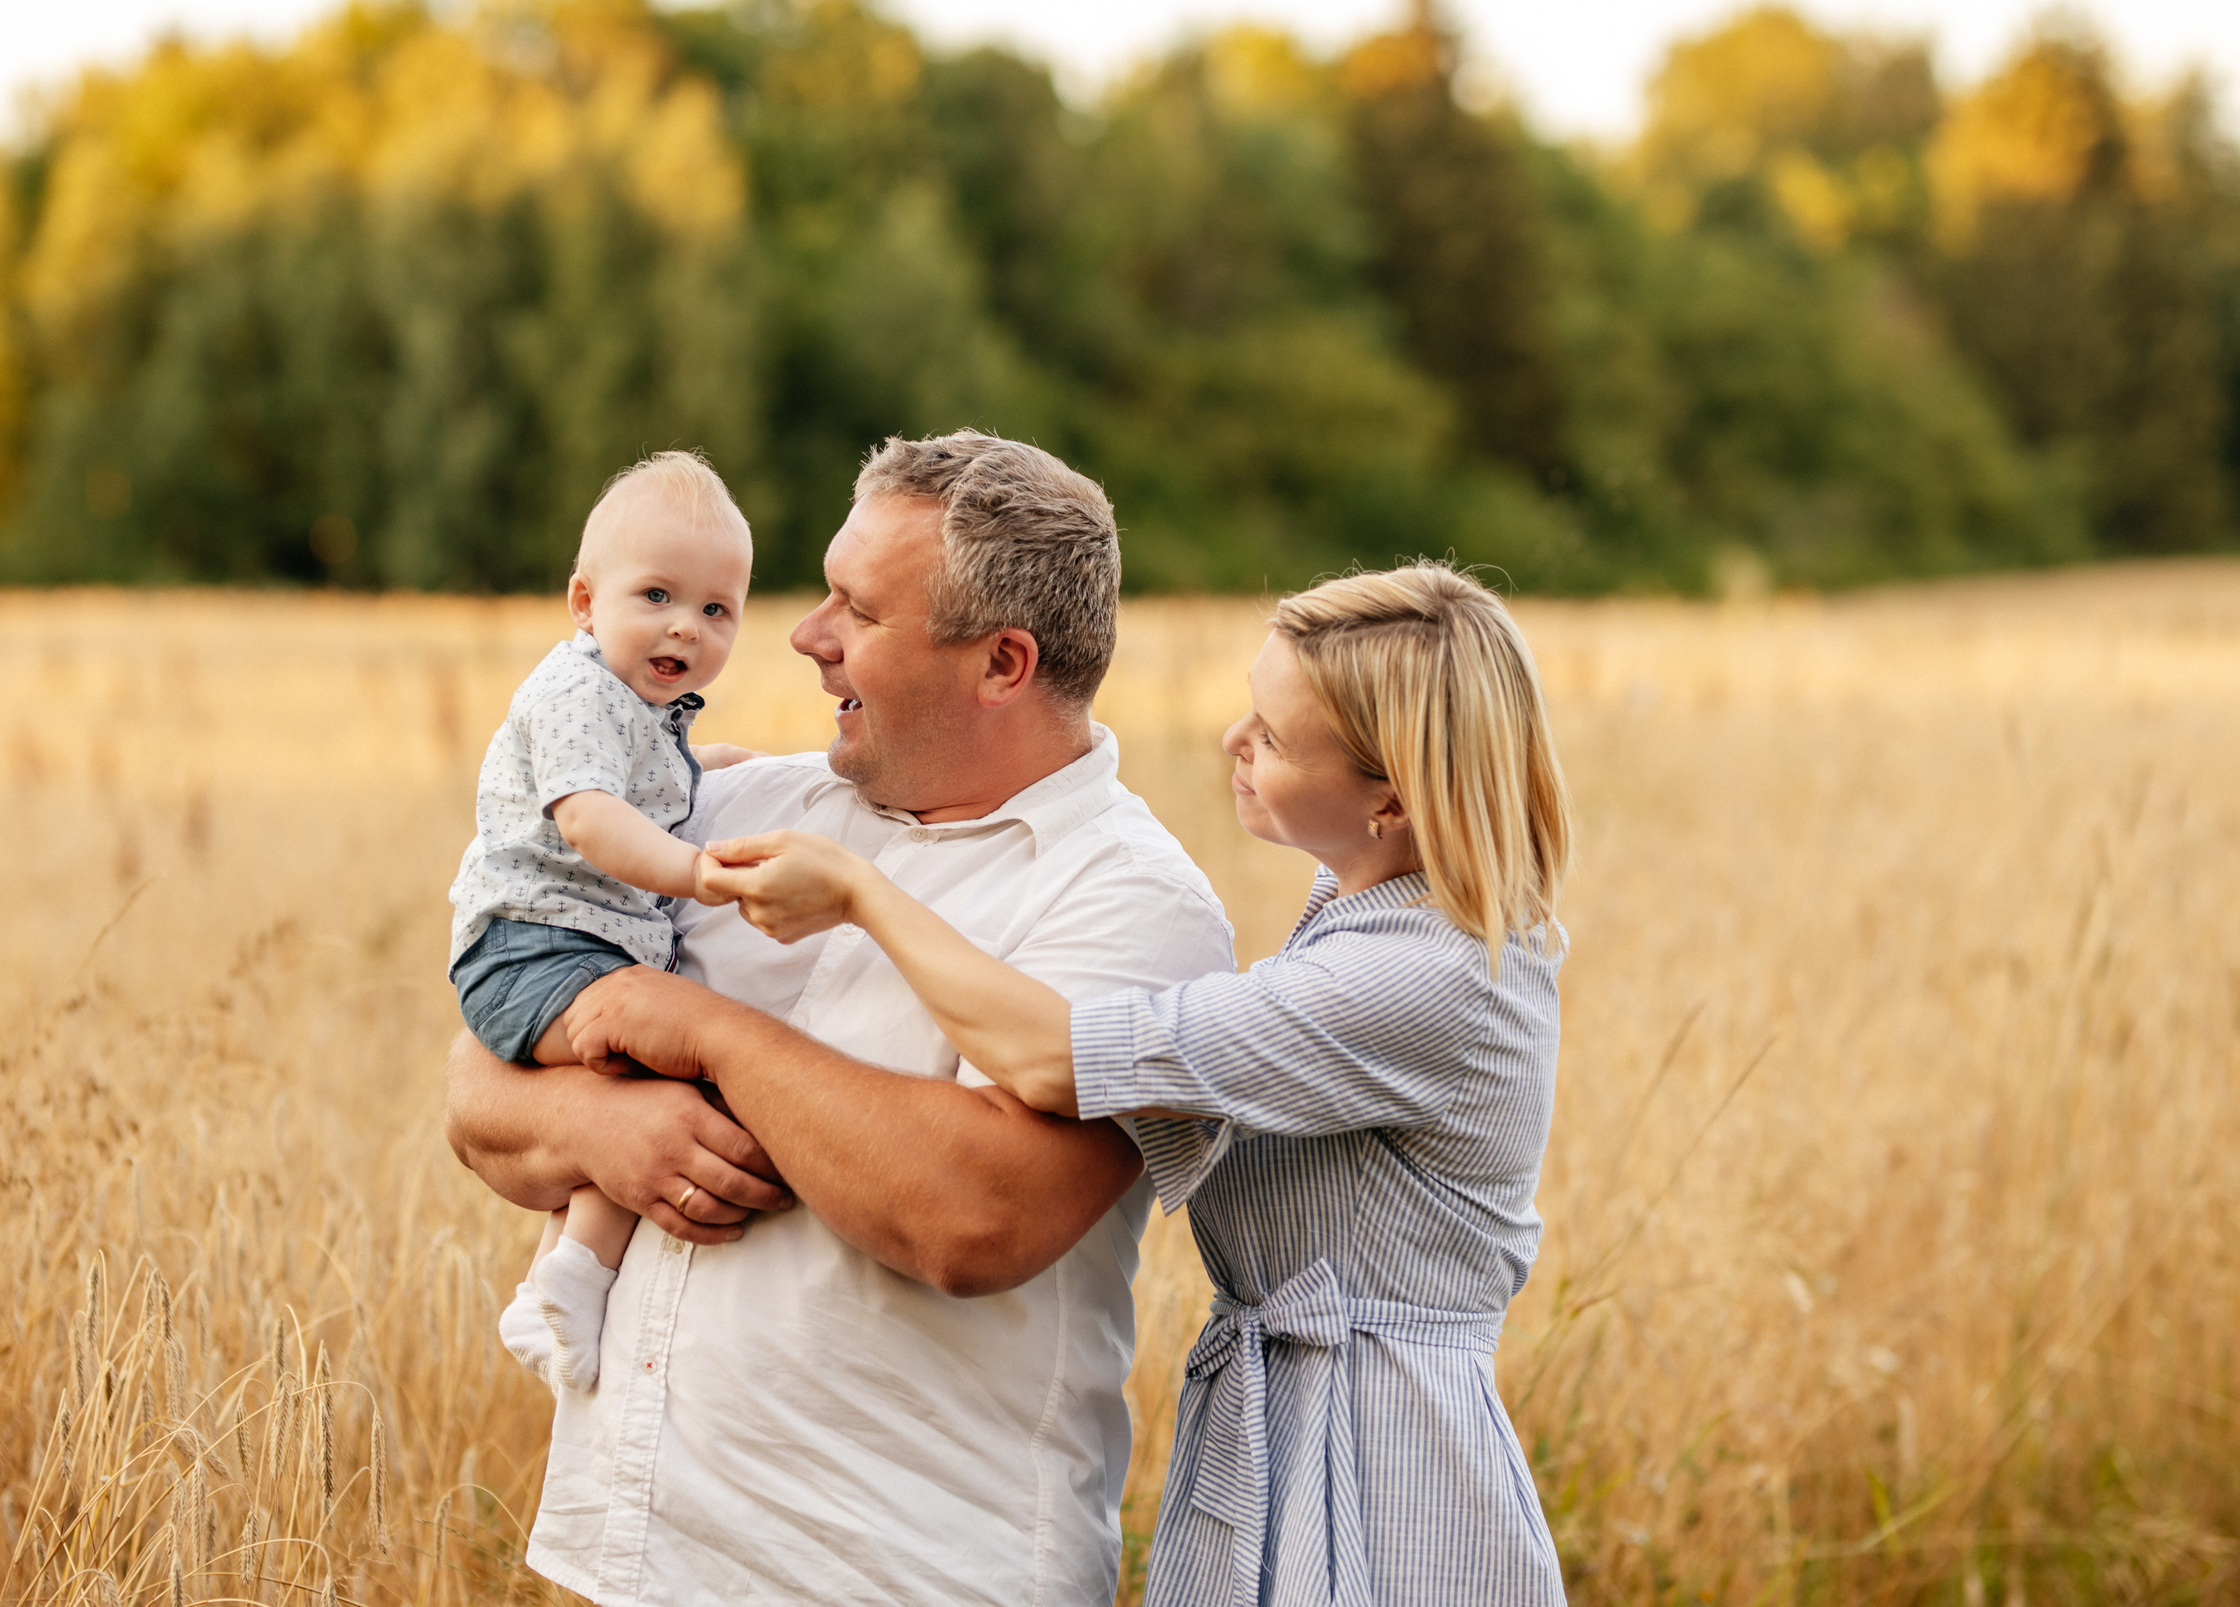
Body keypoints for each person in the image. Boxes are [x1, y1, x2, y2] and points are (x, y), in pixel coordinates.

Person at [584, 563, 1575, 1606]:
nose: (1233, 741)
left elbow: (1056, 1058)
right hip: (1280, 1410)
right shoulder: (1367, 901)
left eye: (1274, 739)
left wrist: (862, 896)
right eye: (1249, 709)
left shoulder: (1421, 977)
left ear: (1391, 799)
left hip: (1382, 1453)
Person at [444, 431, 1236, 1607]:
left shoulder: (1133, 906)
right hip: (637, 1560)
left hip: (903, 1571)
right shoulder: (737, 800)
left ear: (1003, 663)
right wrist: (606, 1133)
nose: (807, 636)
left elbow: (975, 1218)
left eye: (856, 610)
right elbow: (480, 1079)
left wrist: (703, 1036)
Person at [444, 452, 756, 1394]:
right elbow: (591, 814)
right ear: (584, 601)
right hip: (532, 946)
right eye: (656, 594)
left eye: (714, 609)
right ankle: (576, 1275)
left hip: (567, 945)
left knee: (635, 1090)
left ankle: (554, 1284)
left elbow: (671, 784)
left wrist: (760, 775)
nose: (684, 627)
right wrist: (695, 872)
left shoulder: (648, 706)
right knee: (660, 1056)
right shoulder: (579, 690)